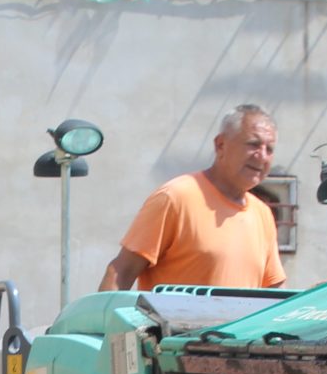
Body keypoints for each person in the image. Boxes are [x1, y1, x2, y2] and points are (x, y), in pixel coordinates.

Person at [98, 103, 289, 293]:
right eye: (253, 144)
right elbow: (122, 271)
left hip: (240, 325)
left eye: (269, 149)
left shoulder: (262, 213)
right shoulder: (176, 197)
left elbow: (275, 289)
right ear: (220, 145)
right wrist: (101, 321)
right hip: (175, 324)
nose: (262, 156)